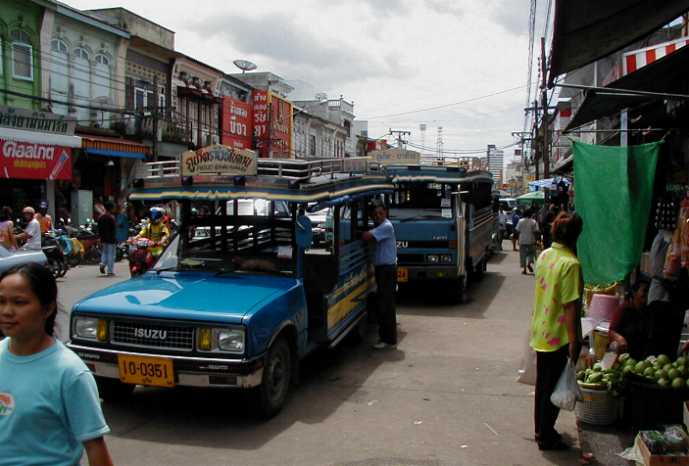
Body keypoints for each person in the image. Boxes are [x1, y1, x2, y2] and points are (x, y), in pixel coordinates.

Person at [0, 263, 113, 466]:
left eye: (19, 302)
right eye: (1, 302)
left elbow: (95, 447)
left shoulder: (70, 373)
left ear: (47, 308)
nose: (7, 311)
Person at [530, 212, 584, 451]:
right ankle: (546, 436)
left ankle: (540, 430)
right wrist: (574, 341)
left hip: (541, 329)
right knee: (553, 387)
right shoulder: (571, 264)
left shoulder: (545, 255)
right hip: (558, 334)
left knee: (543, 385)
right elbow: (570, 305)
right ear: (576, 236)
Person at [362, 201, 398, 350]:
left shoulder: (386, 227)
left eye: (380, 213)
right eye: (375, 214)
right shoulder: (381, 226)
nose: (378, 216)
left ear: (385, 213)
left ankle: (387, 339)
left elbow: (366, 236)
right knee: (384, 303)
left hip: (386, 270)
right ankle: (387, 337)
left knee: (385, 305)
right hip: (383, 269)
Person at [609, 278, 651, 360]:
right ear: (634, 293)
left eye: (648, 291)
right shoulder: (623, 309)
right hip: (622, 354)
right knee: (614, 346)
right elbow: (611, 331)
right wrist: (619, 338)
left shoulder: (647, 312)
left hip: (639, 357)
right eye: (644, 291)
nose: (647, 294)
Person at [516, 209, 540, 275]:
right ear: (530, 214)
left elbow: (517, 230)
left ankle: (524, 270)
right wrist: (537, 240)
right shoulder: (533, 221)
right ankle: (528, 263)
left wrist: (518, 239)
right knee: (531, 253)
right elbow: (536, 231)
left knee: (522, 255)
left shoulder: (520, 221)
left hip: (522, 240)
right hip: (531, 240)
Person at [97, 201, 117, 276]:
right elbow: (114, 229)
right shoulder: (111, 218)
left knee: (105, 253)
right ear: (111, 209)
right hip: (111, 238)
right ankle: (110, 271)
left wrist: (100, 237)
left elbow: (98, 229)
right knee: (111, 255)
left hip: (103, 238)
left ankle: (102, 264)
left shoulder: (101, 217)